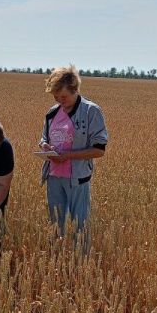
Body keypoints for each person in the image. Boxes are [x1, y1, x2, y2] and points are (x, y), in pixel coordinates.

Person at [38, 66, 108, 240]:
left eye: (63, 96)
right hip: (53, 176)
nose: (59, 100)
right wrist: (45, 146)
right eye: (55, 96)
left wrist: (67, 155)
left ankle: (82, 263)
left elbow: (99, 150)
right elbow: (44, 138)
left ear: (75, 89)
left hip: (77, 178)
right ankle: (56, 260)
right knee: (54, 225)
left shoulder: (91, 111)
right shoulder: (52, 113)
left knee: (80, 225)